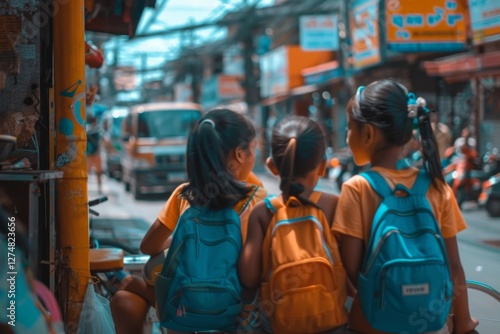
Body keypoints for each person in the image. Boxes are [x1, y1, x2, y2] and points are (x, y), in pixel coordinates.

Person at [332, 79, 478, 334]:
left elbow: (352, 269)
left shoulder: (356, 188)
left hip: (370, 323)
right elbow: (454, 267)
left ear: (367, 134)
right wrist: (463, 322)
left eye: (349, 128)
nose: (347, 136)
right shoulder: (437, 186)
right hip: (429, 324)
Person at [110, 108, 267, 334]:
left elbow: (148, 246)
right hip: (233, 311)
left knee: (131, 290)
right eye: (253, 149)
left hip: (184, 309)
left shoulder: (184, 195)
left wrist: (182, 238)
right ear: (240, 155)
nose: (255, 154)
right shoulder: (258, 202)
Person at [239, 116, 348, 333]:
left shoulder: (264, 212)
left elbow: (248, 277)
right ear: (323, 166)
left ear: (272, 166)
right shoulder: (333, 205)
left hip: (279, 324)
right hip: (331, 321)